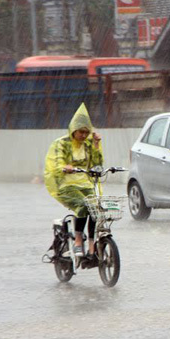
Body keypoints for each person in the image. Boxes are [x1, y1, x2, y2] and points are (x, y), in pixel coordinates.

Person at [44, 103, 103, 258]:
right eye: (81, 132)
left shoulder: (88, 144)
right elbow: (56, 164)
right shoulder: (61, 144)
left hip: (85, 183)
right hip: (66, 185)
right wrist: (64, 167)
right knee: (83, 206)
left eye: (86, 132)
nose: (83, 135)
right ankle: (78, 240)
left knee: (96, 208)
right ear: (73, 130)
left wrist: (96, 144)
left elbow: (97, 164)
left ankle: (91, 245)